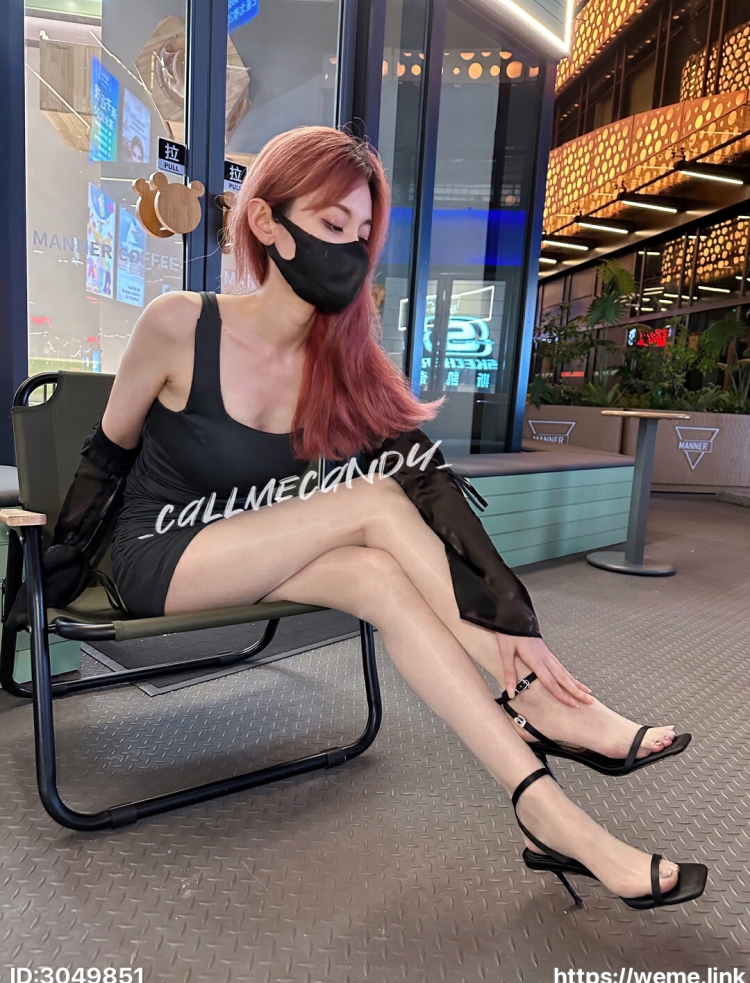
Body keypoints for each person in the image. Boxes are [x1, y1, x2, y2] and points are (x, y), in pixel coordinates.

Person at [101, 125, 706, 910]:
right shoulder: (179, 322)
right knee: (372, 501)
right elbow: (105, 454)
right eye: (331, 224)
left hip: (257, 545)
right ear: (266, 222)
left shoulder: (335, 358)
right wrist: (53, 563)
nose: (350, 252)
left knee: (378, 576)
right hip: (159, 552)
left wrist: (509, 601)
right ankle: (545, 704)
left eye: (362, 235)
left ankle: (551, 817)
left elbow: (425, 475)